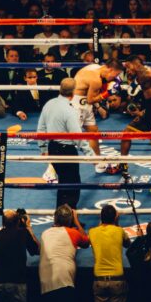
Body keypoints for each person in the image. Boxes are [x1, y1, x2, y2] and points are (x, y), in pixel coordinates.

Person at [37, 78, 97, 209]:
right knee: (72, 186)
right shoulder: (69, 110)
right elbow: (77, 136)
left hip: (52, 148)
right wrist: (90, 155)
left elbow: (40, 129)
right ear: (73, 93)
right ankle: (68, 220)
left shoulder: (49, 104)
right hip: (66, 151)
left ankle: (61, 218)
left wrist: (43, 148)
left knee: (63, 184)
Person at [39, 205, 90, 302]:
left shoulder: (45, 233)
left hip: (45, 286)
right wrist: (77, 221)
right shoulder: (73, 233)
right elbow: (86, 242)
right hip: (64, 284)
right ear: (70, 220)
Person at [72, 59, 125, 173]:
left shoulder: (94, 67)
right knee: (67, 140)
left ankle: (98, 163)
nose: (114, 78)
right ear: (110, 70)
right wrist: (108, 93)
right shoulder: (96, 79)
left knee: (93, 133)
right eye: (115, 75)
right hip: (77, 106)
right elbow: (91, 100)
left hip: (84, 104)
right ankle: (51, 171)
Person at [89, 203, 132, 302]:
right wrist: (116, 224)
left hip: (99, 280)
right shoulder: (119, 231)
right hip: (117, 280)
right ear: (115, 217)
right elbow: (127, 243)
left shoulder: (92, 232)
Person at [0, 210, 39, 302]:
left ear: (3, 223)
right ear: (18, 221)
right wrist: (29, 228)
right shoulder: (23, 233)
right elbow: (36, 250)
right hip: (16, 283)